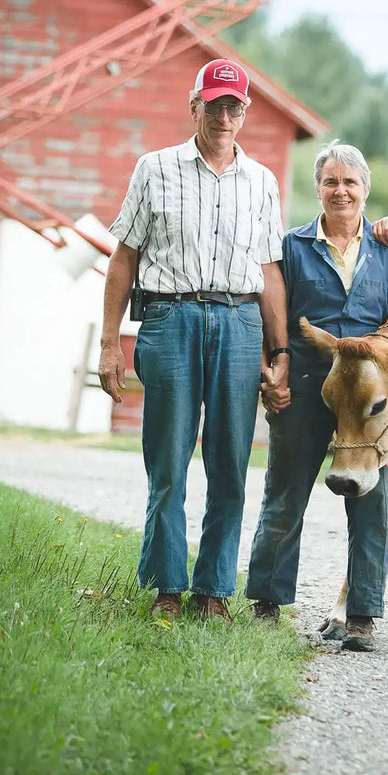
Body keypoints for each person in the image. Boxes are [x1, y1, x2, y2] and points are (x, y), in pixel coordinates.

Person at [98, 58, 290, 624]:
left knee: (230, 463)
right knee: (168, 461)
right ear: (195, 105)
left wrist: (278, 353)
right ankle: (165, 587)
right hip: (170, 320)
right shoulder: (153, 169)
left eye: (235, 106)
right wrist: (111, 343)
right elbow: (123, 258)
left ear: (245, 111)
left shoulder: (262, 182)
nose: (225, 115)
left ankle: (212, 591)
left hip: (238, 322)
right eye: (215, 105)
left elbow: (270, 270)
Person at [247, 140, 388, 652]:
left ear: (365, 190)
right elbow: (273, 311)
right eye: (331, 182)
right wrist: (273, 366)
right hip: (310, 384)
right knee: (285, 493)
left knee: (372, 503)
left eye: (350, 182)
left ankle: (362, 615)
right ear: (318, 189)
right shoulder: (292, 246)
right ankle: (266, 601)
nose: (341, 191)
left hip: (372, 390)